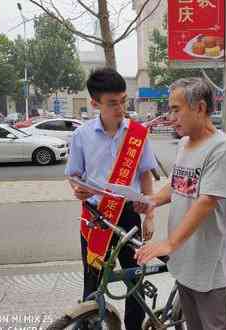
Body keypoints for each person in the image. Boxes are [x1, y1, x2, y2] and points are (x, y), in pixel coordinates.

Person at [134, 78, 226, 330]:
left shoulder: (222, 148)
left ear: (200, 108)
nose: (170, 116)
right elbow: (179, 184)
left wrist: (169, 243)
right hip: (184, 257)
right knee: (193, 324)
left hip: (207, 261)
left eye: (176, 109)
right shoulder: (184, 143)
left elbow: (206, 202)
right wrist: (152, 201)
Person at [65, 68, 158, 330]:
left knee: (134, 280)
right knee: (92, 283)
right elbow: (73, 175)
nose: (120, 109)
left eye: (123, 101)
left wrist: (149, 216)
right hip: (95, 219)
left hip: (129, 217)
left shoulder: (137, 134)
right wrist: (77, 189)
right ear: (95, 103)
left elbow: (146, 175)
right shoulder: (81, 136)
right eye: (112, 103)